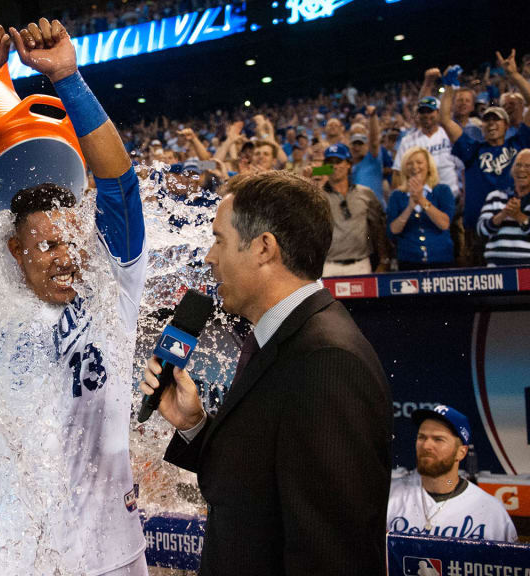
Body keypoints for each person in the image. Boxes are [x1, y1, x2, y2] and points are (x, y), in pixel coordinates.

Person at [0, 18, 148, 575]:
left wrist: (68, 79)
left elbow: (121, 185)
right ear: (15, 250)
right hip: (16, 554)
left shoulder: (113, 287)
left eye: (72, 239)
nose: (65, 254)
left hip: (110, 553)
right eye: (46, 243)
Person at [140, 170, 391, 575]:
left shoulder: (328, 361)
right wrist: (194, 424)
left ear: (263, 248)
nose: (209, 257)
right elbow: (253, 483)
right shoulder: (279, 338)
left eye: (219, 240)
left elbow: (332, 553)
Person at [440, 52, 530, 265]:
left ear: (506, 126)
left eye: (497, 120)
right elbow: (445, 120)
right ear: (482, 126)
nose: (492, 124)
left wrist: (514, 75)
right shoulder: (472, 149)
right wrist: (449, 86)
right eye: (487, 120)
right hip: (479, 229)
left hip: (515, 225)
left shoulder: (519, 144)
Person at [386, 405, 517, 542]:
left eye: (438, 439)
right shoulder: (389, 495)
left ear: (461, 452)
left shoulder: (491, 511)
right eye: (422, 437)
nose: (426, 446)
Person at [320, 143, 390, 276]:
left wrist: (384, 260)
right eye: (329, 162)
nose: (334, 166)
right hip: (328, 266)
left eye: (339, 161)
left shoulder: (366, 193)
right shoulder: (317, 196)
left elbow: (378, 229)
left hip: (360, 264)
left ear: (348, 164)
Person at [387, 147, 455, 270]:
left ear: (428, 167)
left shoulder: (442, 191)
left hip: (441, 259)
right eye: (410, 163)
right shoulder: (396, 196)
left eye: (419, 162)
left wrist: (422, 200)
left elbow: (444, 224)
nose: (414, 167)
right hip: (408, 260)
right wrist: (409, 208)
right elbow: (393, 230)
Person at [476, 149, 530, 266]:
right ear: (512, 170)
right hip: (498, 267)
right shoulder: (496, 196)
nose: (521, 170)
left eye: (527, 166)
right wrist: (503, 214)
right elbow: (481, 231)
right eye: (518, 165)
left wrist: (520, 217)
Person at [393, 94, 460, 199]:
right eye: (422, 112)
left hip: (452, 194)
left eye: (430, 111)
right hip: (421, 199)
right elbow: (397, 173)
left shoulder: (449, 135)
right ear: (418, 115)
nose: (426, 115)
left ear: (438, 113)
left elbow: (463, 167)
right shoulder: (407, 141)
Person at [349, 107, 385, 204]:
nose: (356, 148)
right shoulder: (345, 163)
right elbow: (328, 168)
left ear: (366, 146)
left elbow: (374, 140)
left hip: (375, 211)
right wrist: (314, 171)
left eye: (360, 144)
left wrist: (372, 116)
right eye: (354, 144)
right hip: (356, 212)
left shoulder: (373, 159)